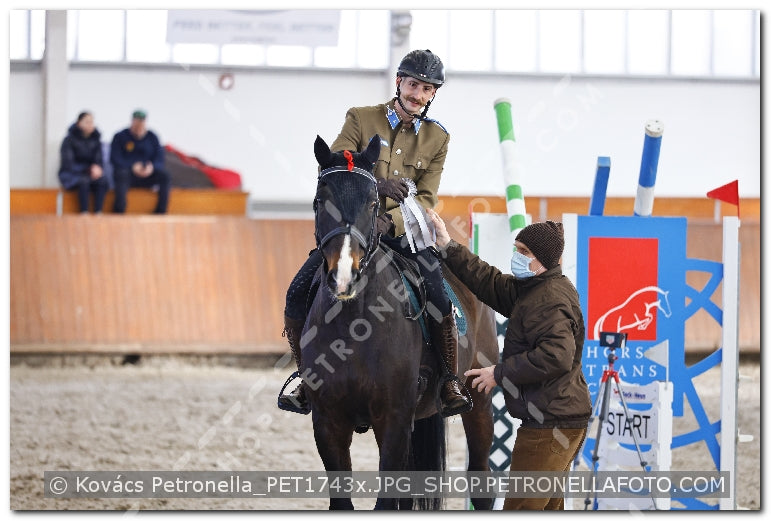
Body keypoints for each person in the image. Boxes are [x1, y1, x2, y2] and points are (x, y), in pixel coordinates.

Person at [278, 49, 471, 418]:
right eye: (413, 84)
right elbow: (336, 165)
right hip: (351, 230)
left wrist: (390, 222)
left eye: (427, 89)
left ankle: (447, 379)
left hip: (403, 233)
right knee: (298, 289)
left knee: (436, 290)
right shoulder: (360, 117)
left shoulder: (437, 138)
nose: (417, 94)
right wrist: (378, 186)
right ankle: (305, 376)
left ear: (433, 95)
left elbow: (427, 196)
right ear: (399, 82)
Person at [428, 210, 591, 510]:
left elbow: (556, 357)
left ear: (542, 259)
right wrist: (447, 245)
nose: (517, 257)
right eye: (516, 249)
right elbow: (487, 280)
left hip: (550, 425)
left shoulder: (551, 299)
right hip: (559, 419)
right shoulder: (534, 290)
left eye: (524, 252)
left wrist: (498, 373)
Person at [110, 109, 170, 214]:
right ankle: (119, 210)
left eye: (141, 122)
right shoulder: (120, 136)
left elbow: (159, 158)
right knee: (121, 174)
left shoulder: (152, 137)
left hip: (147, 174)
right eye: (137, 122)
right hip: (128, 175)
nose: (139, 125)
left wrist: (151, 168)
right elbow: (115, 158)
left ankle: (161, 211)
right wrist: (132, 167)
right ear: (132, 121)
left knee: (165, 175)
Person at [58, 111, 109, 214]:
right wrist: (88, 169)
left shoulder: (96, 140)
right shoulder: (69, 140)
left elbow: (99, 160)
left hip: (90, 174)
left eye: (91, 122)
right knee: (83, 181)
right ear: (78, 123)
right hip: (72, 174)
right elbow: (68, 163)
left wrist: (97, 169)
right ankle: (84, 212)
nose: (90, 125)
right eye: (87, 122)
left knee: (103, 181)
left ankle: (98, 212)